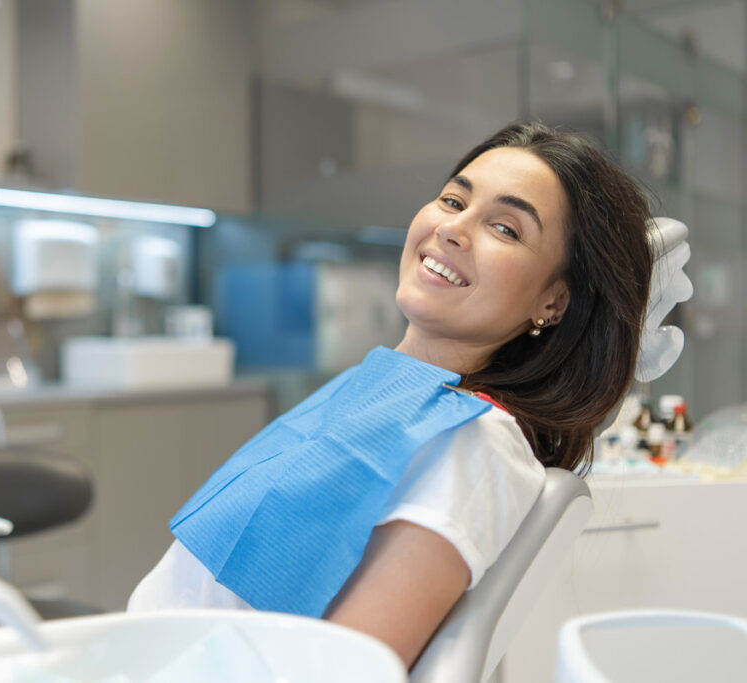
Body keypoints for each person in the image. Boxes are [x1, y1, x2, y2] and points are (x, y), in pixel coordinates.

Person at [127, 121, 654, 668]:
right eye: (453, 200)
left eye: (505, 228)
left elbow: (348, 671)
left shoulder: (474, 442)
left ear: (553, 301)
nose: (453, 229)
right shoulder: (375, 387)